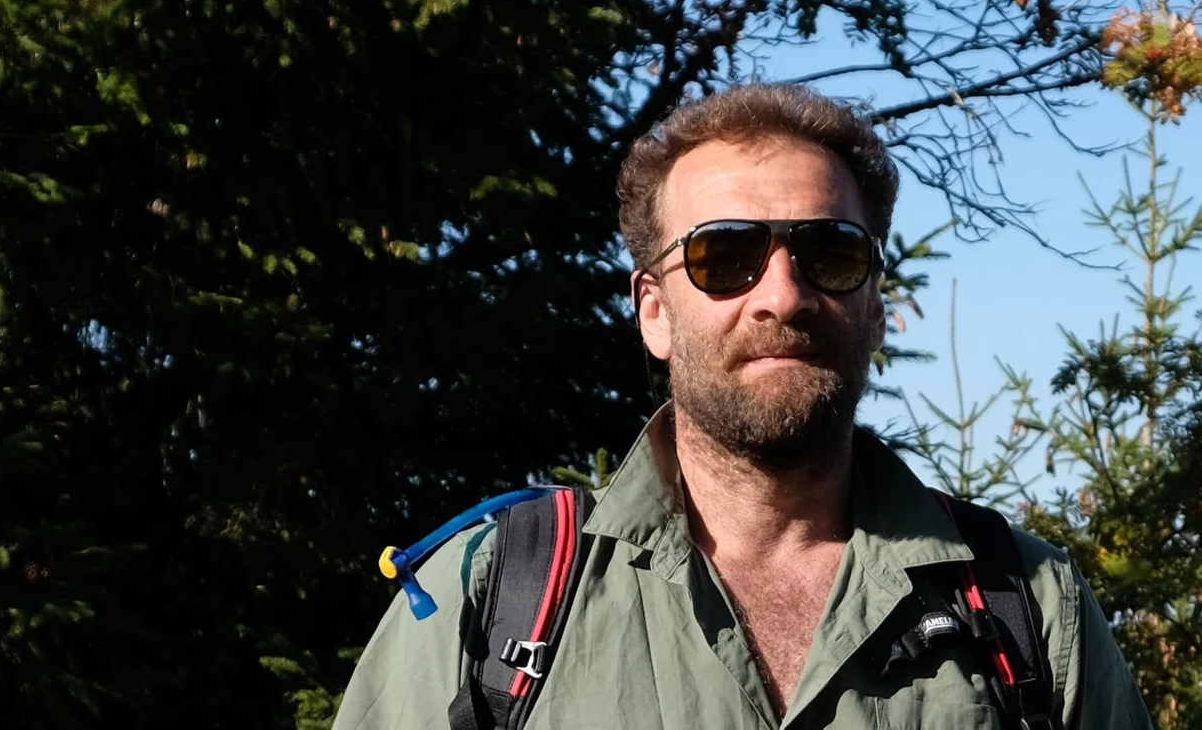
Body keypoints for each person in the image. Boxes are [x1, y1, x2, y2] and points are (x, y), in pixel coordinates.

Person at [333, 83, 1154, 730]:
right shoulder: (490, 596)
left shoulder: (1028, 606)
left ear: (873, 304)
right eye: (723, 255)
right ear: (653, 309)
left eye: (829, 252)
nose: (782, 296)